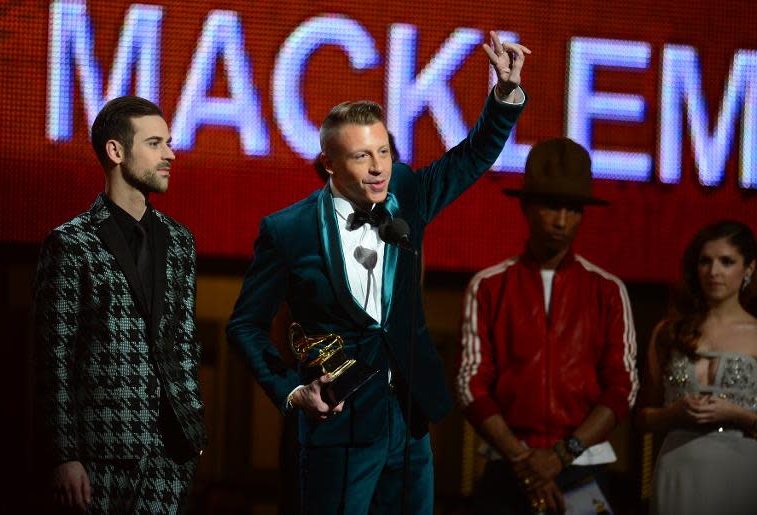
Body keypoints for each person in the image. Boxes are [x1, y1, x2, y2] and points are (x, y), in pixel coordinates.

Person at [227, 32, 529, 515]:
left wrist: (504, 95)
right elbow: (244, 325)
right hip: (339, 426)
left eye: (384, 151)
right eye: (361, 156)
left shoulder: (406, 192)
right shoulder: (289, 230)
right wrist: (292, 391)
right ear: (328, 163)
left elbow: (470, 157)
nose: (378, 168)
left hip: (409, 418)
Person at [33, 96, 207, 513]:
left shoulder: (180, 240)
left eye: (168, 142)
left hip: (170, 454)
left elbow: (184, 342)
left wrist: (194, 429)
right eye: (155, 143)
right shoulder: (70, 243)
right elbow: (53, 358)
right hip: (99, 456)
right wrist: (64, 455)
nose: (170, 154)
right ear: (116, 151)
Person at [456, 138, 638, 514]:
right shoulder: (489, 286)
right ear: (525, 206)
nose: (561, 220)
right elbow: (471, 383)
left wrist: (560, 455)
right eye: (551, 206)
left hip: (583, 464)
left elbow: (623, 386)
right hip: (507, 465)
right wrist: (523, 458)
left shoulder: (606, 290)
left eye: (573, 209)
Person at [636, 220, 757, 515]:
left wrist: (737, 414)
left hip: (740, 471)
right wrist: (673, 414)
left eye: (726, 262)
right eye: (706, 261)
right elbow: (642, 417)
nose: (714, 272)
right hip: (678, 466)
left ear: (749, 269)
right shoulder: (670, 332)